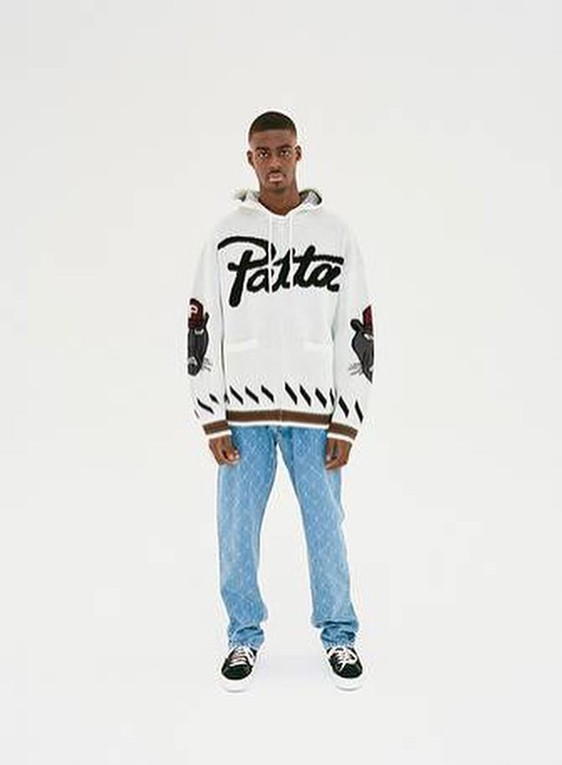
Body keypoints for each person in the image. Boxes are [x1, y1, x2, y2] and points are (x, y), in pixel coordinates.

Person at [187, 110, 374, 691]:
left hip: (317, 416)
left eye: (283, 150)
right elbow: (201, 324)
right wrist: (211, 416)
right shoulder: (224, 236)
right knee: (236, 531)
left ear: (299, 153)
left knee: (326, 529)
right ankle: (243, 635)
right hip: (241, 416)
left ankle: (339, 635)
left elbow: (357, 325)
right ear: (250, 159)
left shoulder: (336, 235)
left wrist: (348, 418)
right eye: (263, 152)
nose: (274, 162)